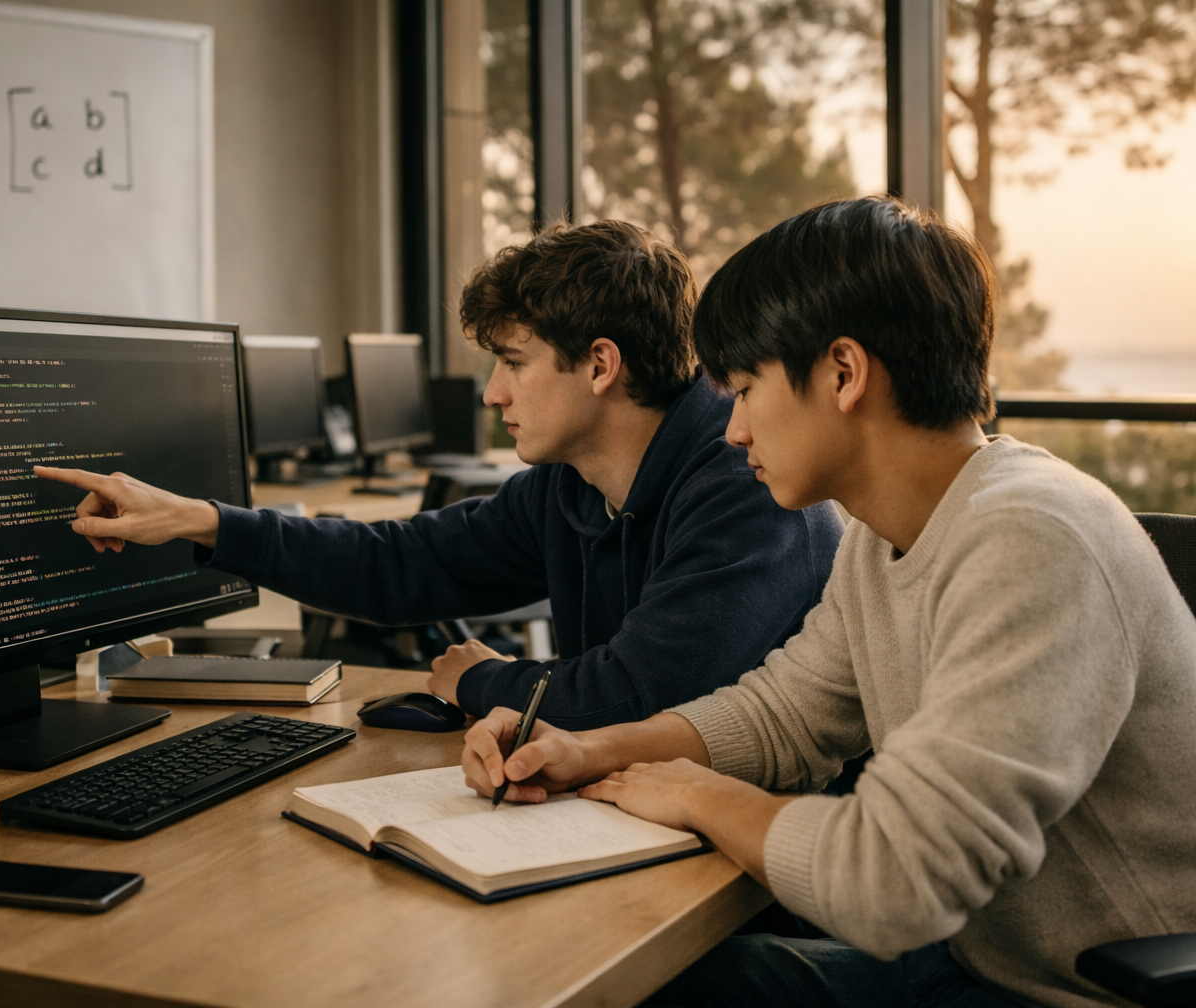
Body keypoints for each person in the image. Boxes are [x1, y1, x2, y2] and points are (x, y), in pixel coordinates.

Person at [462, 197, 1196, 1007]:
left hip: (1075, 993)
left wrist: (699, 796)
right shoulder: (886, 539)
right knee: (604, 977)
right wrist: (590, 750)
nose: (733, 430)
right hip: (974, 961)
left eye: (745, 389)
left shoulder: (1034, 540)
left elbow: (891, 881)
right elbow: (783, 717)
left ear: (843, 373)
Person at [36, 220, 842, 729]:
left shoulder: (747, 485)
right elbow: (400, 564)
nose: (493, 393)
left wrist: (482, 679)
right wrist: (202, 521)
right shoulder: (571, 486)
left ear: (600, 365)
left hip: (761, 877)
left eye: (513, 363)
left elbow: (640, 698)